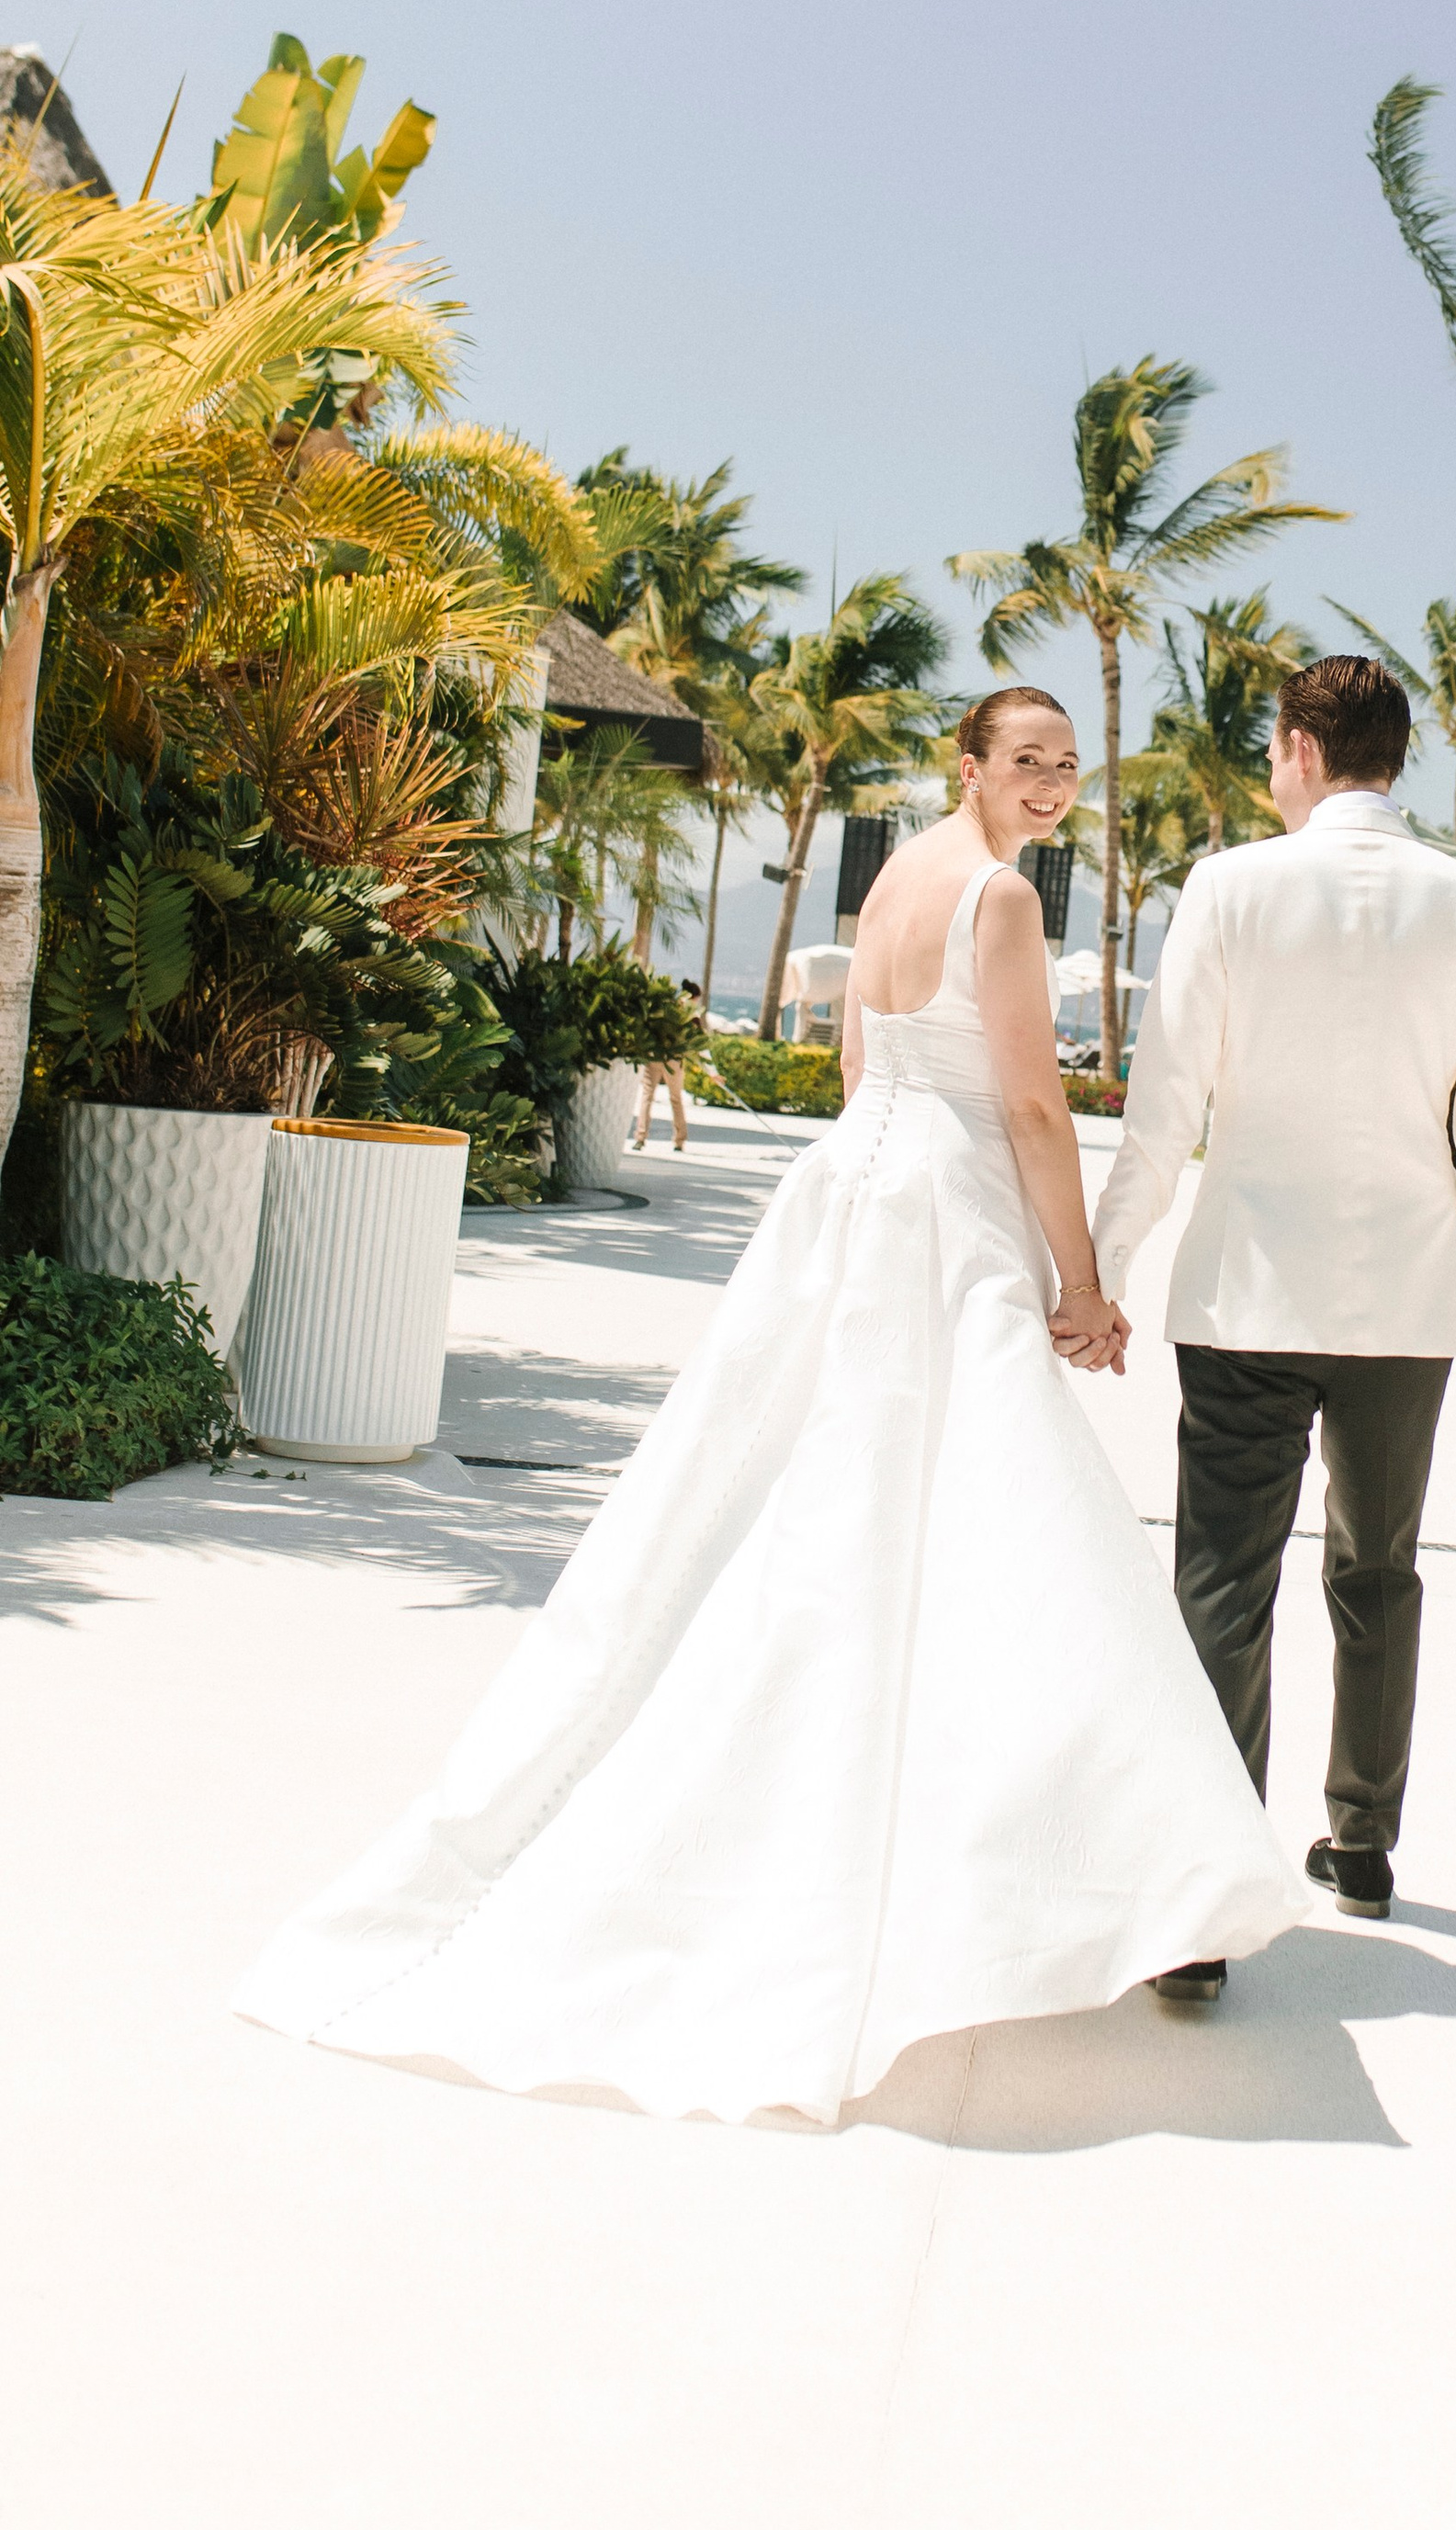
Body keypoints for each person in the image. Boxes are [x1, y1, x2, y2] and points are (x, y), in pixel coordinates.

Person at [236, 689, 1301, 2124]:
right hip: (945, 1210)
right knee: (1001, 1520)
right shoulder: (998, 901)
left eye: (1066, 766)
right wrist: (1085, 1282)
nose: (1053, 785)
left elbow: (868, 1068)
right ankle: (1116, 1876)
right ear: (971, 765)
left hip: (855, 1189)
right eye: (1027, 761)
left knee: (813, 1504)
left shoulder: (897, 878)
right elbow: (1037, 1109)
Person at [1094, 653, 1456, 1995]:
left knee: (1223, 1577)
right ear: (1394, 758)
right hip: (1403, 1297)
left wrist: (1107, 1261)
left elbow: (1167, 1101)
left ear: (1298, 748)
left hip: (1246, 1287)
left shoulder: (1228, 888)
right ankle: (1361, 1847)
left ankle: (1207, 1903)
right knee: (1378, 1571)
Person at [628, 980, 699, 1154]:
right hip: (674, 1059)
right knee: (675, 1098)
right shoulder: (690, 1015)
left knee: (647, 1096)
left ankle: (640, 1137)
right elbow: (699, 1043)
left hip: (654, 1055)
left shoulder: (665, 1008)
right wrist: (713, 1072)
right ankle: (679, 1140)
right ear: (693, 997)